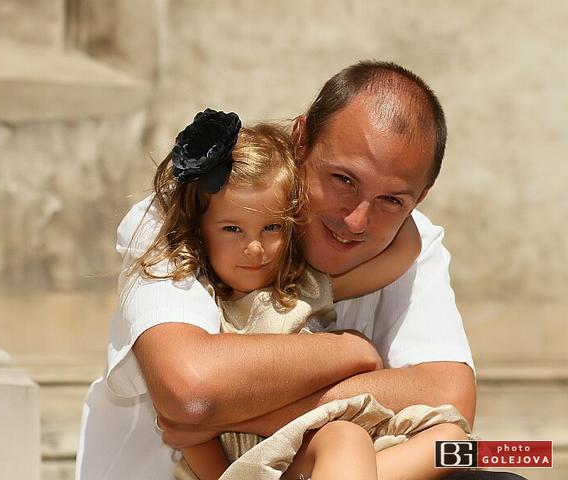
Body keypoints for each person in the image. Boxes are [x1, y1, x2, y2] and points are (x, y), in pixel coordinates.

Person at [75, 61, 526, 480]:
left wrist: (241, 410)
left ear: (419, 198)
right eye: (343, 180)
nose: (357, 221)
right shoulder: (191, 213)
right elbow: (191, 391)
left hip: (345, 460)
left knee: (489, 456)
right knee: (348, 438)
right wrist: (351, 350)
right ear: (301, 140)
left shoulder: (408, 237)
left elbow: (452, 397)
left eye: (392, 200)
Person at [133, 109, 470, 480]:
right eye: (232, 229)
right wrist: (354, 349)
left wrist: (389, 198)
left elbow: (407, 246)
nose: (254, 248)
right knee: (345, 438)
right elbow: (186, 425)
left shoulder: (301, 284)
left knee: (457, 447)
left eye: (272, 227)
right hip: (255, 461)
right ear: (201, 233)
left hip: (318, 442)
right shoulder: (203, 305)